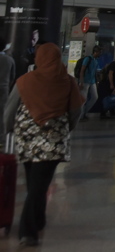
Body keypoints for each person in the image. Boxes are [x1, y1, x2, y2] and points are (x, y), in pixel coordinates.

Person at [2, 43, 84, 247]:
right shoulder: (68, 82)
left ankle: (34, 224)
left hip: (26, 138)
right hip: (53, 139)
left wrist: (8, 130)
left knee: (35, 182)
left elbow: (10, 109)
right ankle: (30, 228)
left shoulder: (25, 80)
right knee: (38, 183)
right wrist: (65, 128)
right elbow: (76, 111)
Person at [78, 45, 101, 121]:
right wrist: (81, 82)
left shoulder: (95, 61)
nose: (100, 54)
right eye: (99, 52)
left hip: (92, 81)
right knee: (83, 99)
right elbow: (82, 70)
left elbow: (94, 72)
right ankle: (81, 115)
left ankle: (85, 111)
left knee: (95, 97)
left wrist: (97, 81)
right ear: (96, 52)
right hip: (85, 81)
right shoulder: (88, 59)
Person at [0, 36, 17, 135]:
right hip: (4, 88)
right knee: (3, 113)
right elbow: (12, 76)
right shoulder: (9, 59)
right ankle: (1, 137)